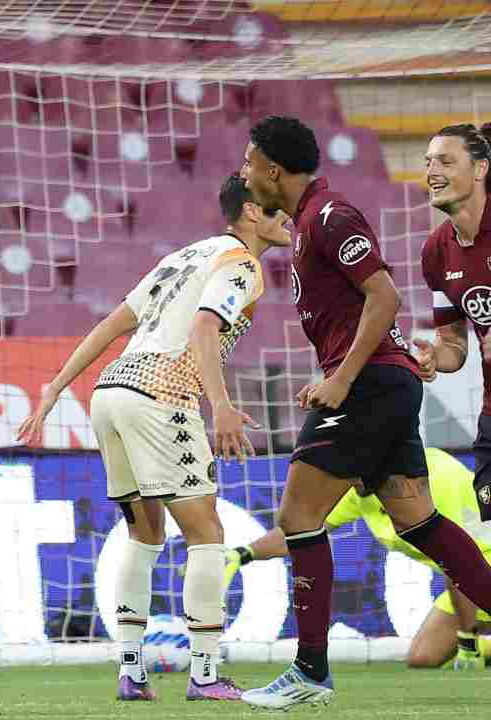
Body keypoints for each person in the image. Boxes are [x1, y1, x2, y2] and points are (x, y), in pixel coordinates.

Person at [237, 116, 491, 709]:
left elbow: (384, 297)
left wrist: (342, 379)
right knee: (418, 521)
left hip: (371, 384)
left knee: (298, 514)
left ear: (274, 168)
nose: (245, 172)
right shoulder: (311, 226)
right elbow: (437, 333)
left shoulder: (331, 216)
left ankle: (309, 671)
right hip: (387, 380)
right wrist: (425, 357)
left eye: (251, 162)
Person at [18, 173, 292, 702]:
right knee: (206, 532)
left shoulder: (186, 256)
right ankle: (207, 674)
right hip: (161, 395)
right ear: (252, 214)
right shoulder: (242, 264)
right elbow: (204, 329)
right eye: (280, 212)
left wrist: (56, 387)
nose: (289, 221)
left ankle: (130, 672)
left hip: (111, 391)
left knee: (144, 534)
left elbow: (114, 324)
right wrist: (223, 407)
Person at [225, 447, 491, 669]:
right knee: (423, 657)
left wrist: (468, 641)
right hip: (462, 578)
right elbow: (300, 532)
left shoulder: (436, 479)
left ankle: (476, 641)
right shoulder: (361, 486)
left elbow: (460, 562)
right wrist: (243, 553)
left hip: (477, 567)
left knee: (462, 591)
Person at [415, 122, 491, 517]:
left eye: (446, 160)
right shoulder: (436, 253)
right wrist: (434, 358)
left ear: (480, 169)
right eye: (428, 162)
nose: (432, 171)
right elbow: (456, 346)